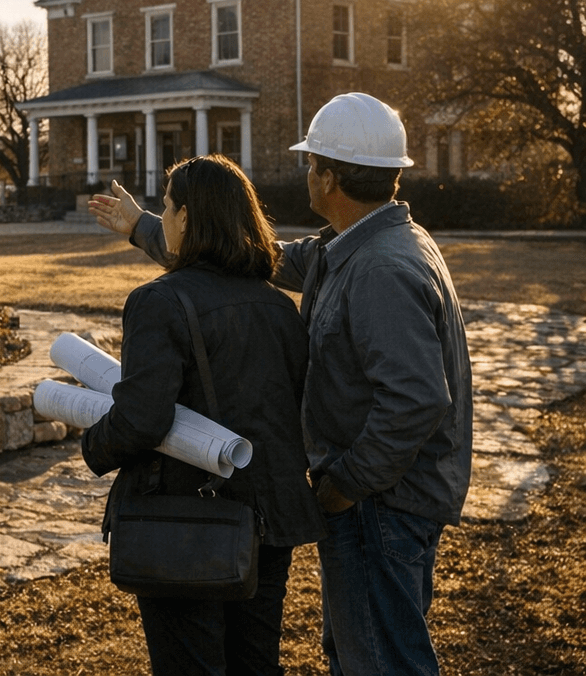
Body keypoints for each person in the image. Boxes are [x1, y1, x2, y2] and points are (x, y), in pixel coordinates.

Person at [91, 93, 472, 676]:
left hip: (384, 504)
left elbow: (417, 400)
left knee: (380, 661)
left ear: (329, 176)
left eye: (312, 164)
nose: (307, 176)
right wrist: (146, 226)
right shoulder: (357, 246)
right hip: (385, 498)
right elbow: (252, 256)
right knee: (357, 653)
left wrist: (345, 484)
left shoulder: (381, 268)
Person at [82, 155, 325, 675]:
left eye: (166, 208)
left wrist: (93, 443)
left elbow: (141, 419)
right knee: (256, 665)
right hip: (271, 519)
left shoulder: (158, 301)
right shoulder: (280, 306)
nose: (162, 217)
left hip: (186, 520)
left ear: (187, 218)